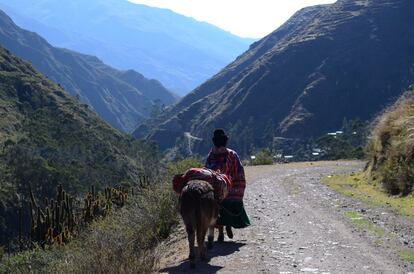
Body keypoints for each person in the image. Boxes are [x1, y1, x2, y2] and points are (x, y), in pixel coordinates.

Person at [205, 129, 250, 241]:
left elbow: (238, 172)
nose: (220, 148)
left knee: (225, 205)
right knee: (218, 207)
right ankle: (221, 232)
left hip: (231, 185)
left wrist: (231, 183)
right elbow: (208, 170)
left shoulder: (230, 155)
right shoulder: (214, 155)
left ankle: (227, 227)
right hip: (218, 186)